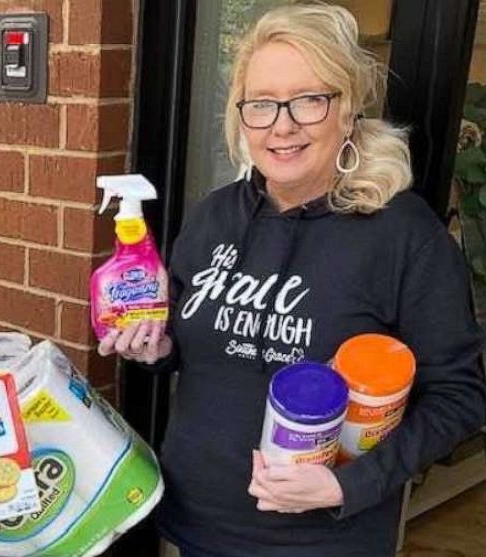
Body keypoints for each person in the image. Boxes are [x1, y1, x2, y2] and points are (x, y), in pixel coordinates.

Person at [100, 4, 486, 557]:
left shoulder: (404, 236)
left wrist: (347, 484)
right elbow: (193, 347)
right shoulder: (214, 216)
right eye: (261, 104)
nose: (282, 124)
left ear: (348, 109)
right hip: (194, 524)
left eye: (308, 100)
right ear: (241, 116)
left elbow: (460, 397)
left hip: (323, 542)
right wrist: (158, 345)